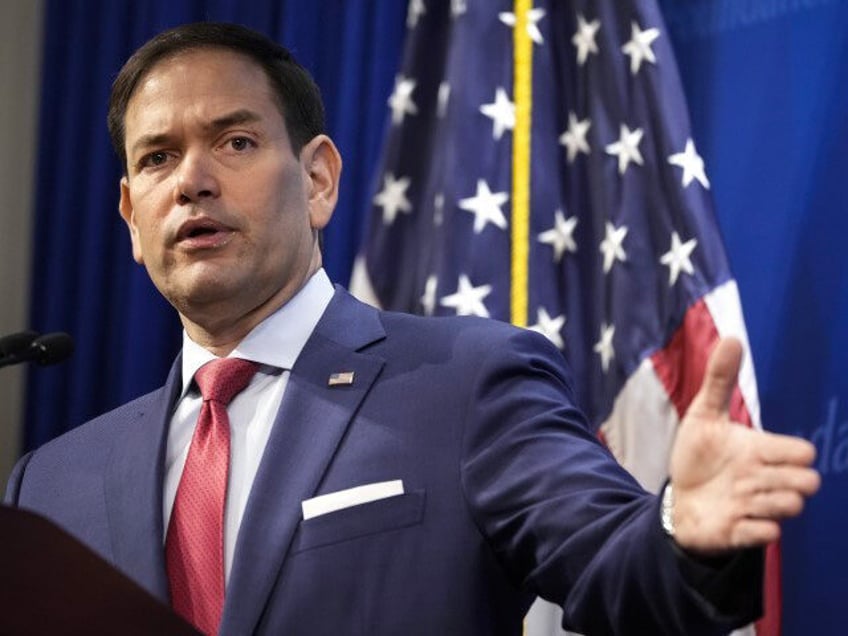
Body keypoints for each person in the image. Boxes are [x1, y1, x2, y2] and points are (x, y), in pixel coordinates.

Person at [4, 22, 819, 636]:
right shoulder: (45, 486)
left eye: (236, 141)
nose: (191, 181)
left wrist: (684, 532)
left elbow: (618, 569)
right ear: (130, 218)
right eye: (156, 159)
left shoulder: (469, 384)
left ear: (318, 179)